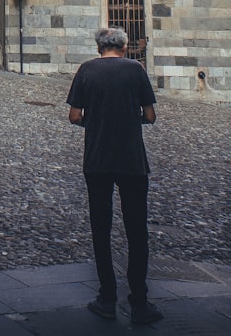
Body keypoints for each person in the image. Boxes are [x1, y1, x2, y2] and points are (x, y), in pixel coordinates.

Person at [66, 27, 163, 325]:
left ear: (99, 49)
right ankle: (139, 301)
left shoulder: (86, 70)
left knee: (101, 227)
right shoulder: (135, 69)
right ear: (123, 48)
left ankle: (107, 297)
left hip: (97, 159)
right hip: (132, 160)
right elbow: (150, 115)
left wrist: (95, 122)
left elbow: (74, 116)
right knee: (136, 229)